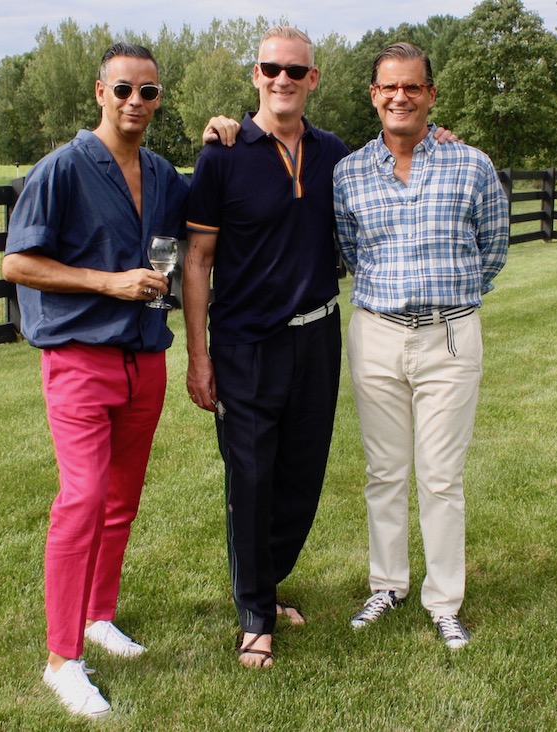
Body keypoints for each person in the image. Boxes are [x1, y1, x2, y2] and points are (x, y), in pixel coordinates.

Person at [2, 43, 187, 718]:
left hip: (147, 359)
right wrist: (105, 282)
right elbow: (18, 263)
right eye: (123, 90)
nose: (135, 102)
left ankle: (98, 617)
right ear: (99, 92)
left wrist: (230, 132)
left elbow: (213, 210)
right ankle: (62, 659)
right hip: (80, 359)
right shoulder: (61, 170)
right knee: (81, 500)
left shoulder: (165, 174)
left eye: (148, 92)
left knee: (121, 501)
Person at [332, 41, 509, 651]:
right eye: (390, 87)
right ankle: (387, 584)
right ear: (374, 96)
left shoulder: (472, 165)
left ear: (431, 94)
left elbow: (493, 247)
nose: (401, 97)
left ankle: (444, 600)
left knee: (440, 477)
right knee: (384, 472)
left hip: (451, 336)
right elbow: (352, 251)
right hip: (376, 334)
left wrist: (450, 300)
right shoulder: (349, 172)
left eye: (413, 87)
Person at [183, 25, 348, 669]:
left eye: (295, 71)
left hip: (319, 337)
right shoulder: (222, 153)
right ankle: (254, 609)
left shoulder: (335, 153)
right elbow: (198, 260)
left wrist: (440, 139)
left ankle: (268, 581)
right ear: (256, 75)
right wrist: (199, 356)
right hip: (246, 345)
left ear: (312, 80)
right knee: (250, 477)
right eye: (270, 68)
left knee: (301, 474)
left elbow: (397, 151)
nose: (282, 79)